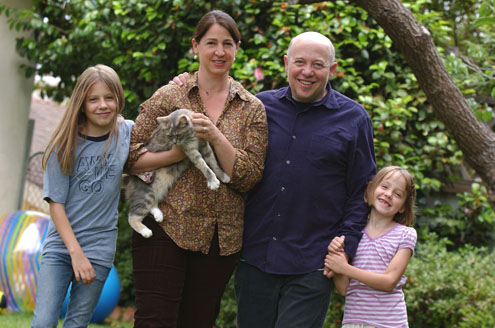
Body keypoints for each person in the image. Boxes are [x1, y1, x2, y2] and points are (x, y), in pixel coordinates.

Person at [172, 31, 376, 327]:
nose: (307, 72)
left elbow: (361, 192)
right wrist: (184, 83)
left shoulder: (354, 119)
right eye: (300, 62)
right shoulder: (258, 108)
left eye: (318, 65)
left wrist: (345, 245)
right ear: (286, 63)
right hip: (255, 256)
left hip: (313, 262)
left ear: (331, 70)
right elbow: (212, 112)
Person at [126, 10, 268, 328]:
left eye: (227, 43)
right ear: (195, 46)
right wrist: (178, 154)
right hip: (165, 227)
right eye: (211, 42)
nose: (219, 51)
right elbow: (129, 157)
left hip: (219, 238)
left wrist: (215, 136)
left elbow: (248, 177)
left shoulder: (251, 108)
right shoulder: (170, 96)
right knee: (155, 322)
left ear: (237, 48)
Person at [31, 64, 134, 328]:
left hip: (99, 249)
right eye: (93, 99)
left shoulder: (126, 133)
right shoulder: (63, 145)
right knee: (43, 322)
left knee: (77, 323)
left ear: (119, 99)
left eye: (109, 97)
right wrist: (76, 254)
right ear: (82, 103)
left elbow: (153, 152)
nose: (103, 105)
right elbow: (56, 205)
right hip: (62, 248)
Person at [325, 166, 417, 328]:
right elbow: (344, 289)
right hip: (353, 323)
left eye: (397, 194)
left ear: (403, 207)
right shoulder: (351, 236)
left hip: (389, 324)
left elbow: (389, 281)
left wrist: (345, 268)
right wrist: (336, 254)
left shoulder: (405, 235)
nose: (388, 194)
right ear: (369, 190)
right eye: (385, 187)